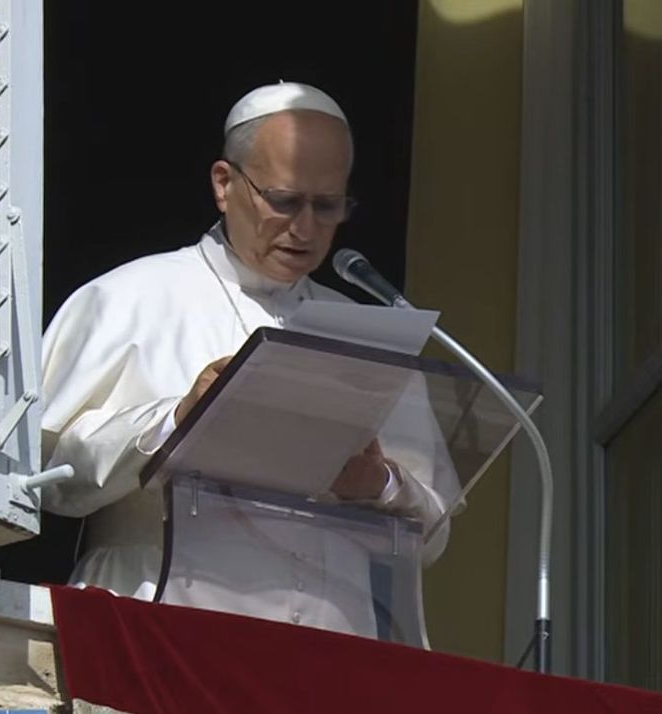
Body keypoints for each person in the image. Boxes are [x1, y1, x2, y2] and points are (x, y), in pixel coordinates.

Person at [37, 81, 455, 638]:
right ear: (224, 183)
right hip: (163, 629)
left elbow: (434, 535)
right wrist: (175, 421)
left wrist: (377, 484)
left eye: (327, 206)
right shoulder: (128, 296)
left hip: (329, 651)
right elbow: (48, 475)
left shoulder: (372, 336)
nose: (305, 228)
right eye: (284, 201)